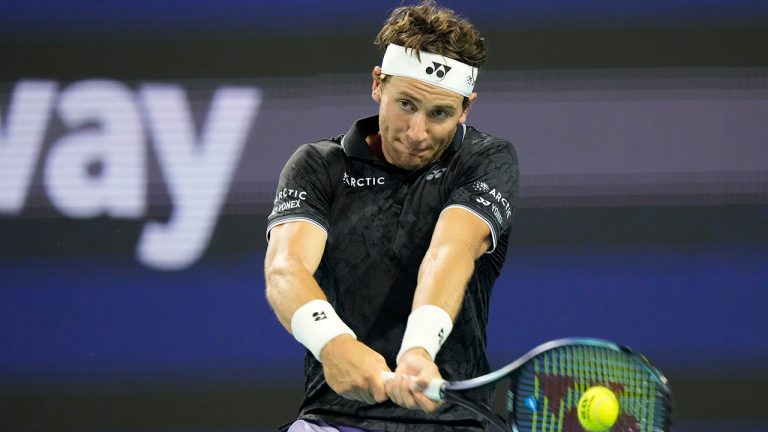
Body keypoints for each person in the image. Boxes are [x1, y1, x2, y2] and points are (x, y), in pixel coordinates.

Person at [264, 1, 518, 430]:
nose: (418, 133)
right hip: (332, 421)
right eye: (406, 104)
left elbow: (449, 252)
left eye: (440, 114)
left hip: (453, 423)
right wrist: (332, 343)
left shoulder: (485, 159)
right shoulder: (318, 165)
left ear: (466, 109)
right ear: (378, 84)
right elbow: (285, 268)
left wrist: (417, 349)